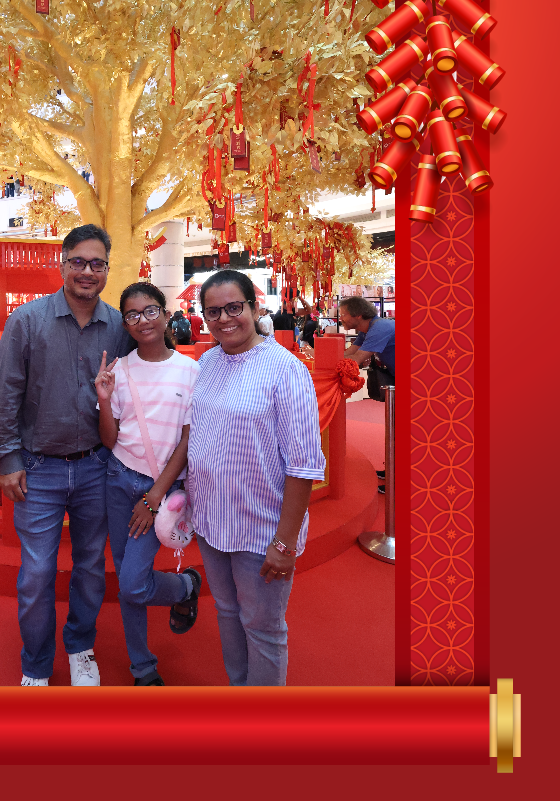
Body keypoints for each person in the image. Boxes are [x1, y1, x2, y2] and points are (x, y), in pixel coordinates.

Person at [0, 223, 134, 687]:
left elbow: (142, 383)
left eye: (97, 264)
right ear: (62, 264)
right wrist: (7, 459)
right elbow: (5, 393)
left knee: (90, 566)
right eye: (79, 262)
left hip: (97, 468)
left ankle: (80, 646)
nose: (88, 271)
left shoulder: (119, 326)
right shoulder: (28, 321)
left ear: (107, 269)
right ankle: (35, 664)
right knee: (36, 573)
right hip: (38, 469)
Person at [188, 269, 325, 686]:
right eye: (214, 312)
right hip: (211, 521)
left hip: (261, 529)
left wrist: (284, 543)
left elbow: (303, 465)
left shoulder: (286, 369)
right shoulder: (207, 361)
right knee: (227, 612)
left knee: (263, 627)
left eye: (234, 308)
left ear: (254, 307)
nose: (224, 319)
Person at [95, 282, 202, 686]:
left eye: (151, 311)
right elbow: (110, 440)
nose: (143, 320)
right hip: (118, 479)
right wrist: (104, 398)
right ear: (125, 323)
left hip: (160, 487)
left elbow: (188, 441)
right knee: (128, 580)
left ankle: (184, 585)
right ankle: (142, 666)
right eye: (133, 315)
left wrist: (155, 496)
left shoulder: (190, 370)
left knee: (132, 583)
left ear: (166, 314)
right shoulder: (119, 369)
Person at [339, 295, 396, 385]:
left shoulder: (379, 329)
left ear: (358, 315)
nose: (340, 319)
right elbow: (348, 353)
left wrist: (324, 359)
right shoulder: (366, 330)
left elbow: (356, 360)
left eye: (343, 315)